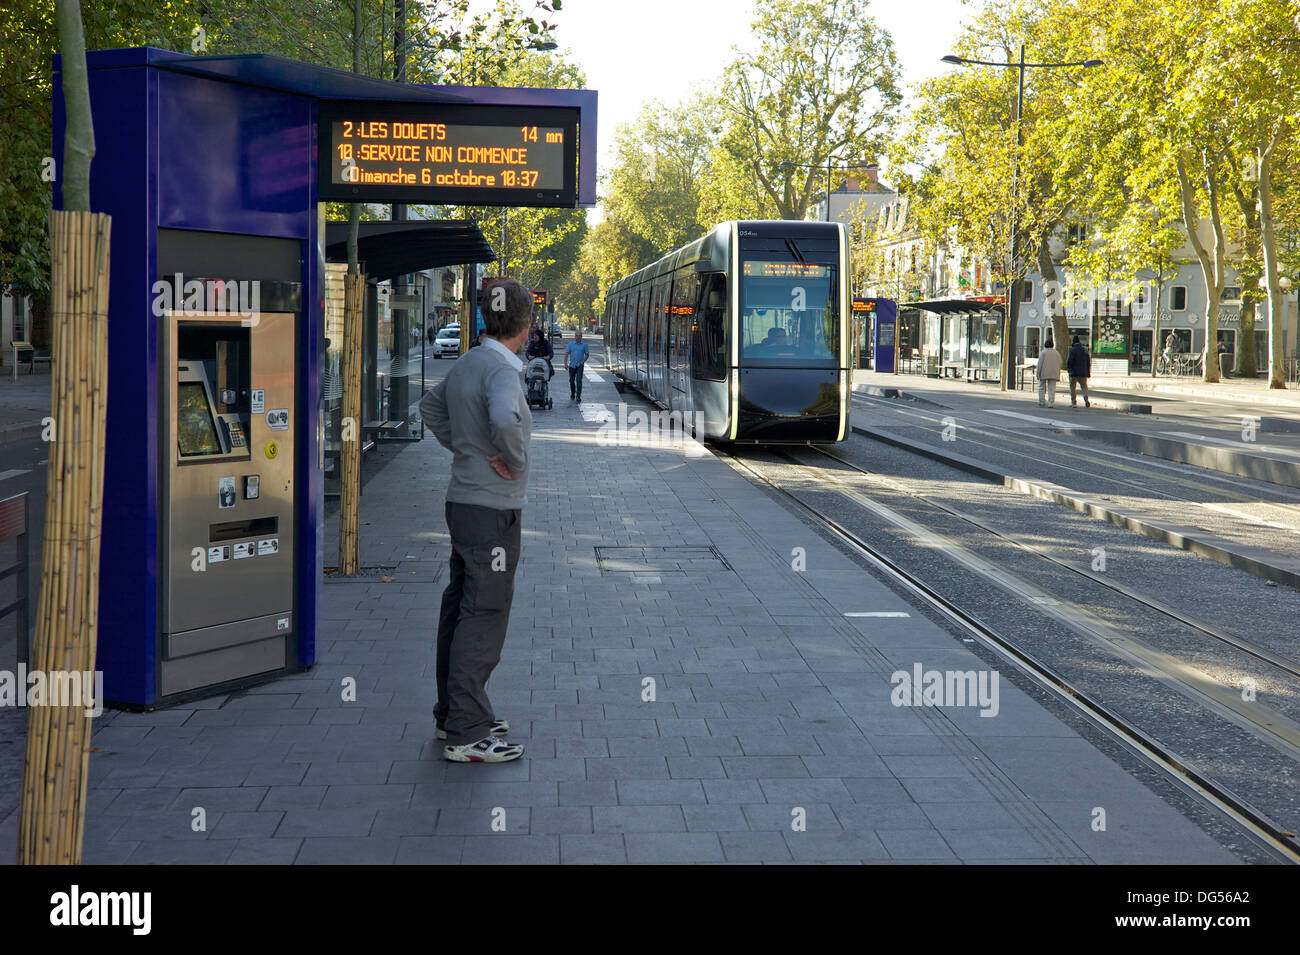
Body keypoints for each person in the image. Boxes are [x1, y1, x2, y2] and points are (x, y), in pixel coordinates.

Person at [418, 278, 533, 763]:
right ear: (526, 325)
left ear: (486, 317)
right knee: (484, 612)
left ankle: (454, 714)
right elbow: (506, 419)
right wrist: (513, 460)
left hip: (462, 503)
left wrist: (464, 449)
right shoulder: (504, 370)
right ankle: (468, 732)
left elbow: (429, 406)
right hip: (492, 508)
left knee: (459, 606)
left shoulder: (468, 361)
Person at [1036, 336, 1062, 407]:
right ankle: (1051, 402)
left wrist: (1037, 373)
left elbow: (1039, 364)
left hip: (1044, 373)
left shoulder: (1043, 352)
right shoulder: (1057, 353)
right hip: (1054, 373)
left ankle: (1042, 401)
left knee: (1041, 387)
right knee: (1052, 388)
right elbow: (1060, 363)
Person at [565, 327, 590, 402]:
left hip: (580, 365)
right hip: (572, 365)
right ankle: (573, 393)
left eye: (579, 336)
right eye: (576, 335)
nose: (578, 337)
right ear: (574, 336)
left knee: (579, 381)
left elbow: (587, 354)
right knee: (571, 381)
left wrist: (583, 361)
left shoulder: (584, 345)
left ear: (581, 337)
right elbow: (566, 354)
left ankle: (578, 396)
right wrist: (565, 364)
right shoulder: (570, 344)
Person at [1067, 334, 1091, 408]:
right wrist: (1088, 372)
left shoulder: (1072, 350)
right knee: (1084, 386)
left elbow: (1069, 361)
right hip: (1083, 372)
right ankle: (1086, 398)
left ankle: (1074, 402)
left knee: (1072, 387)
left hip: (1073, 372)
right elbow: (1088, 361)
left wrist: (1069, 369)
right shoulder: (1085, 350)